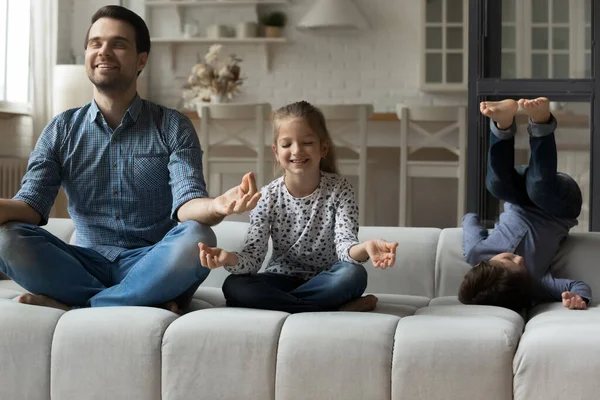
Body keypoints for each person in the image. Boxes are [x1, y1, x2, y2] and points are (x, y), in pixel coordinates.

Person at [0, 5, 260, 313]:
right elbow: (30, 206)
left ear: (141, 60)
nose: (104, 51)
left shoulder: (173, 126)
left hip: (150, 262)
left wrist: (217, 206)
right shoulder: (61, 129)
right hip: (83, 264)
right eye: (95, 43)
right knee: (7, 237)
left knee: (198, 235)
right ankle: (141, 299)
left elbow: (188, 202)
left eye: (118, 44)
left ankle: (77, 304)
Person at [197, 101, 398, 313]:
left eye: (307, 142)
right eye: (286, 145)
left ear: (324, 147)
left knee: (353, 275)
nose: (297, 151)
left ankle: (294, 305)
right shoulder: (267, 196)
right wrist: (227, 258)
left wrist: (366, 247)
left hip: (326, 279)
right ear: (276, 151)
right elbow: (253, 258)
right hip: (279, 278)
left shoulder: (340, 189)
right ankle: (332, 308)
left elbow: (345, 247)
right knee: (234, 286)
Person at [459, 97, 591, 312]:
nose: (520, 258)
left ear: (485, 263)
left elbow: (469, 219)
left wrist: (476, 227)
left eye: (509, 258)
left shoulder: (475, 252)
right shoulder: (536, 283)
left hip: (519, 197)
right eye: (522, 268)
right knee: (538, 188)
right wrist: (579, 298)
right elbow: (578, 285)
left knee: (496, 185)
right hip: (558, 204)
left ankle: (503, 124)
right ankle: (541, 122)